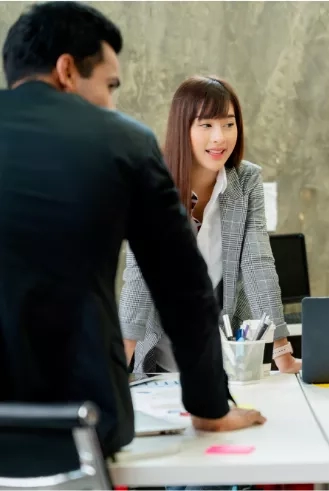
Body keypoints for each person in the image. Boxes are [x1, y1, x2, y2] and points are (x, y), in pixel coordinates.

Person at [0, 1, 263, 477]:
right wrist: (208, 406)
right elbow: (183, 288)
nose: (111, 103)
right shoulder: (122, 141)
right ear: (66, 70)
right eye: (109, 85)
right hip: (81, 419)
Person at [121, 75, 301, 375]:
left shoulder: (246, 181)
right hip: (162, 360)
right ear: (183, 128)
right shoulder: (151, 183)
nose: (220, 137)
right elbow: (139, 279)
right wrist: (115, 370)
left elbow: (258, 264)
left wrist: (282, 352)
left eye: (228, 124)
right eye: (206, 125)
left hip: (230, 357)